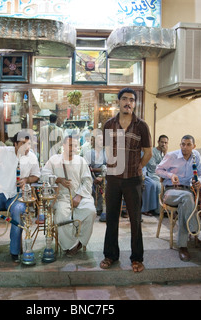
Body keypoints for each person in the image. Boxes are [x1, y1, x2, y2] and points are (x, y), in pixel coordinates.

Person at [100, 87, 152, 273]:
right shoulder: (108, 125)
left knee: (135, 220)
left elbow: (148, 152)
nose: (128, 102)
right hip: (113, 179)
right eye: (124, 99)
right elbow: (106, 149)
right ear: (118, 102)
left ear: (135, 104)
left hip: (133, 180)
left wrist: (139, 166)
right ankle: (110, 255)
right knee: (112, 218)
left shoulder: (141, 126)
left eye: (131, 99)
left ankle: (137, 258)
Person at [0, 131, 40, 263]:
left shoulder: (32, 157)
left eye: (28, 144)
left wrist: (26, 179)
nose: (27, 147)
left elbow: (36, 176)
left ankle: (15, 251)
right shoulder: (4, 151)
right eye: (23, 144)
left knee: (18, 212)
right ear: (15, 144)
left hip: (17, 195)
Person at [156, 135, 201, 262]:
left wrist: (199, 180)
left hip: (187, 192)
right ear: (180, 145)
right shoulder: (172, 156)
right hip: (170, 191)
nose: (185, 147)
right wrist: (170, 175)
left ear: (193, 146)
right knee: (188, 198)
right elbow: (158, 169)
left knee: (186, 203)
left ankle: (182, 246)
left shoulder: (196, 156)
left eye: (188, 144)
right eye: (183, 144)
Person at [42, 135, 96, 256]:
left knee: (90, 211)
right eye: (71, 145)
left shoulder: (81, 161)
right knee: (61, 215)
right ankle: (71, 245)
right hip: (61, 197)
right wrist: (58, 179)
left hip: (80, 196)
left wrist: (79, 196)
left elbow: (87, 181)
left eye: (76, 145)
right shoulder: (54, 160)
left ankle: (80, 241)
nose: (73, 148)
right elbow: (43, 174)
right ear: (64, 146)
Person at [141, 134, 168, 216]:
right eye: (162, 142)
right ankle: (157, 210)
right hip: (152, 174)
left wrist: (165, 153)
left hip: (163, 174)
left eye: (165, 143)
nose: (163, 144)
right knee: (159, 186)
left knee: (170, 185)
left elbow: (168, 165)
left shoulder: (166, 153)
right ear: (158, 142)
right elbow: (153, 167)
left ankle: (167, 210)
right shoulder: (152, 151)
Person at [83, 131, 107, 219]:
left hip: (104, 176)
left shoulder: (107, 152)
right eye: (100, 140)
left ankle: (103, 210)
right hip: (91, 176)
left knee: (107, 186)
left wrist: (101, 176)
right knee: (89, 186)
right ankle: (91, 209)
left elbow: (109, 166)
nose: (102, 141)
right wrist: (93, 176)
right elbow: (86, 167)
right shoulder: (89, 153)